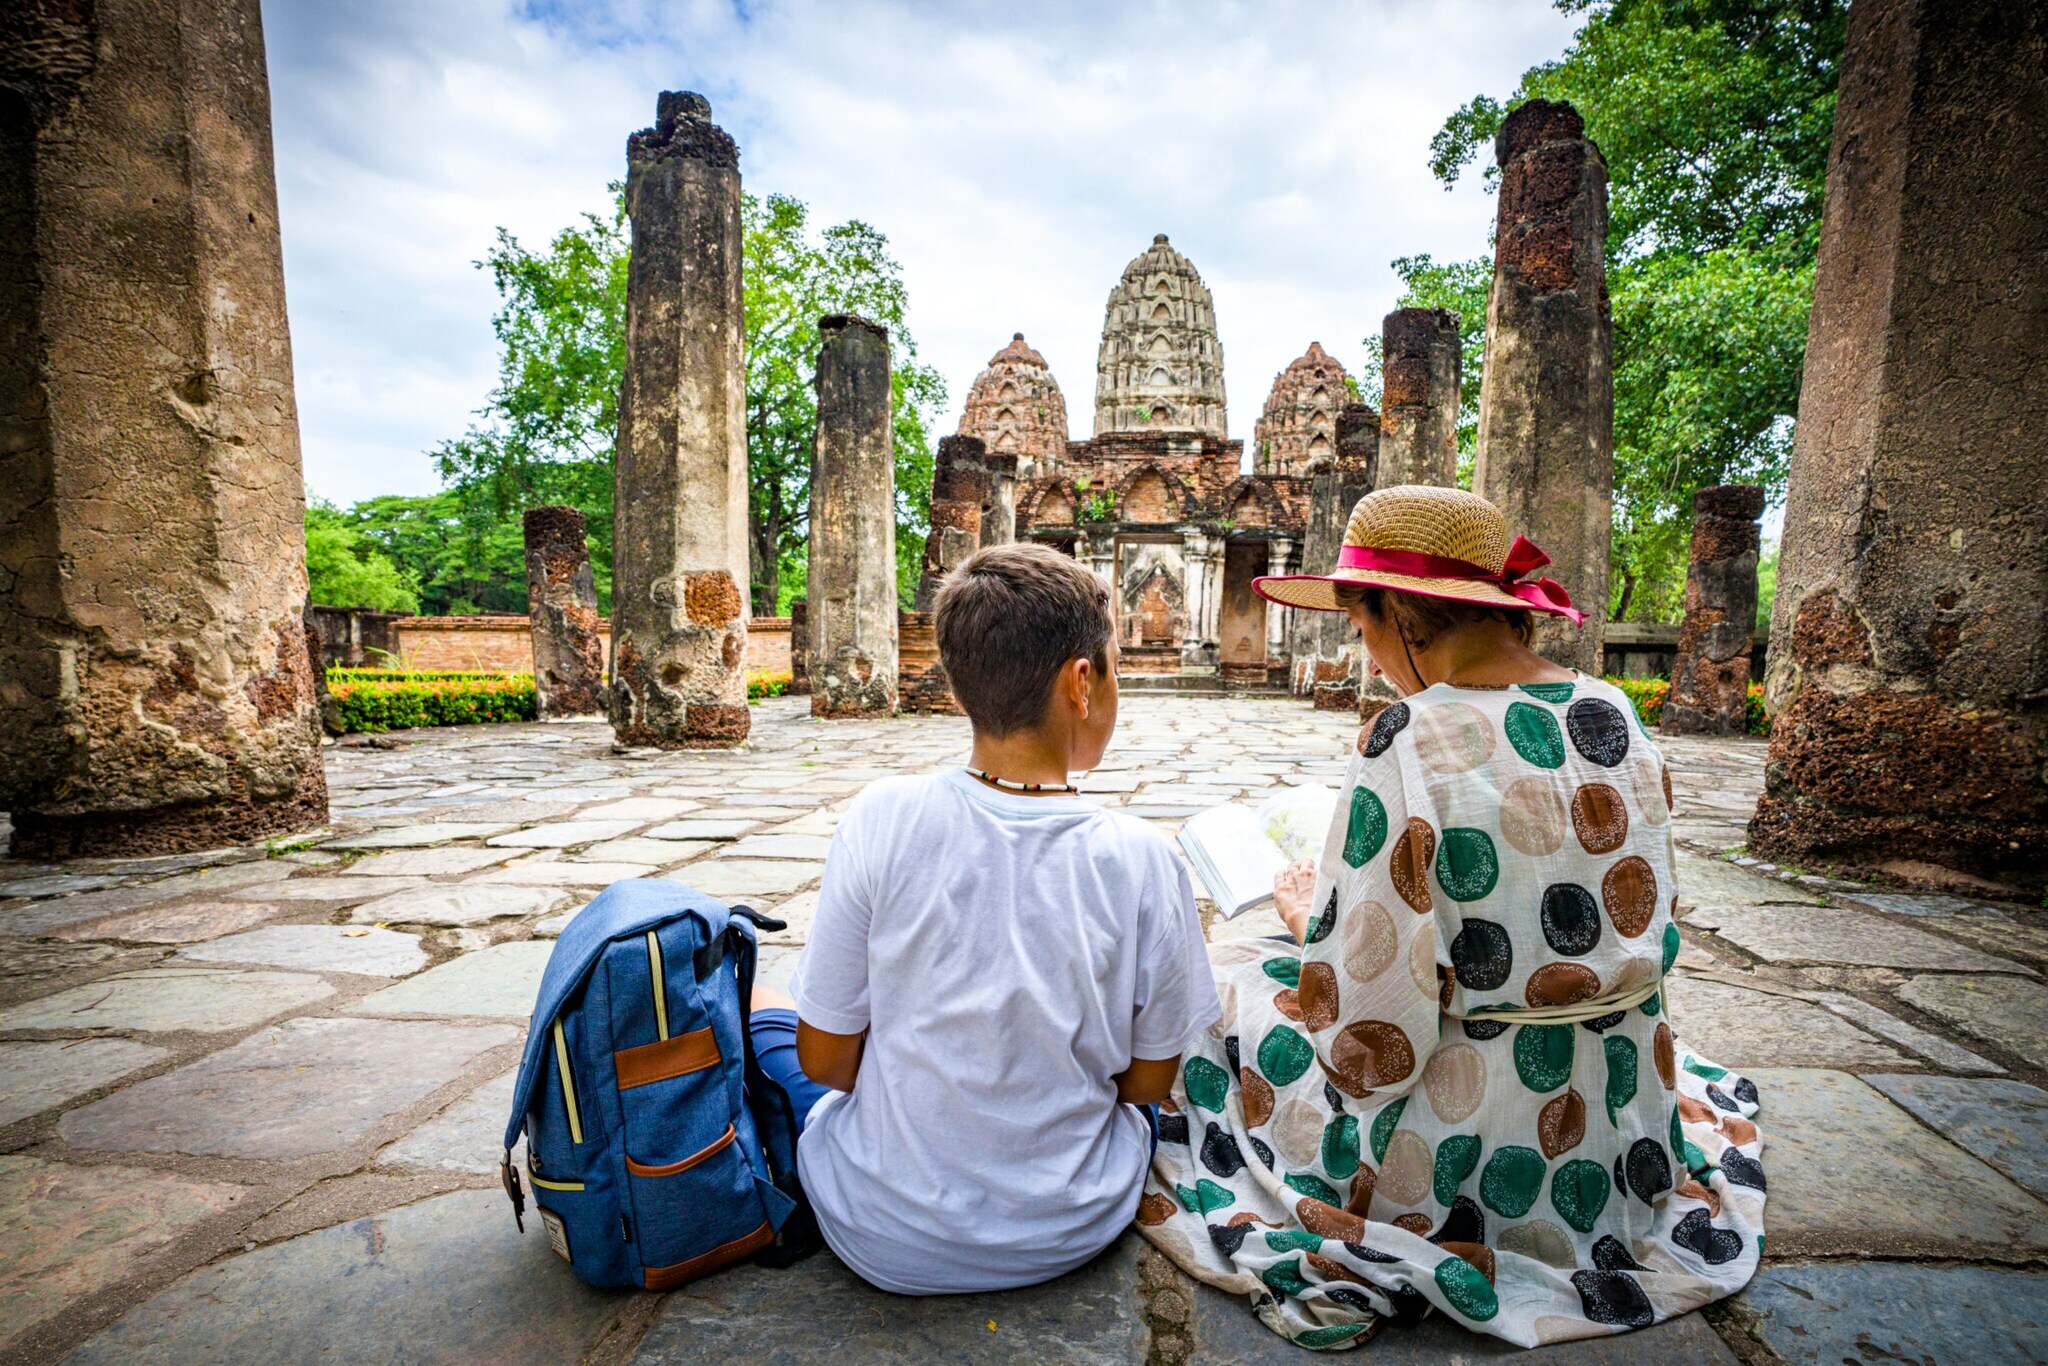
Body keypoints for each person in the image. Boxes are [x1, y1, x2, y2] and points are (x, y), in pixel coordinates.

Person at [1135, 485, 1765, 1350]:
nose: (1373, 659)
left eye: (1364, 631)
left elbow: (1373, 1037)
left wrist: (1307, 922)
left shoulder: (1410, 737)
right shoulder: (1614, 713)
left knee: (1230, 979)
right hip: (1617, 1124)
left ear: (1401, 615)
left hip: (1451, 1153)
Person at [754, 542, 1220, 1295]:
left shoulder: (883, 817)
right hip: (1071, 1223)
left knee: (765, 1014)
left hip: (879, 1227)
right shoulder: (1143, 857)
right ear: (1081, 683)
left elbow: (827, 1064)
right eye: (1115, 670)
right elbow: (1144, 1084)